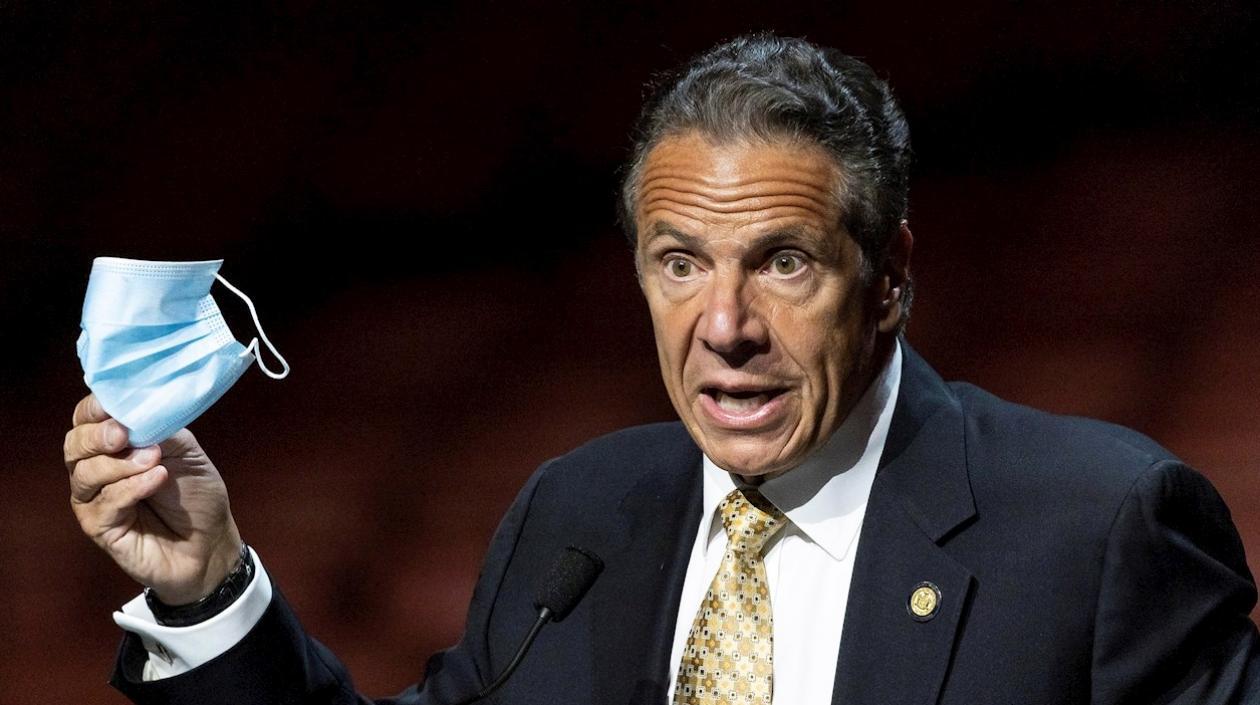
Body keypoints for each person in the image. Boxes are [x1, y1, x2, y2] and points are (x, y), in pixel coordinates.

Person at [63, 34, 1260, 705]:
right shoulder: (579, 518)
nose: (723, 324)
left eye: (783, 263)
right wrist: (207, 585)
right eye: (680, 263)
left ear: (890, 276)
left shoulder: (1098, 531)